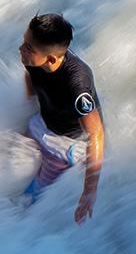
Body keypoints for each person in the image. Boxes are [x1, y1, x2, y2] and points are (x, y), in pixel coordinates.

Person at [19, 13, 104, 224]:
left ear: (50, 59)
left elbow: (96, 133)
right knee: (18, 147)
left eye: (28, 47)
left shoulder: (77, 82)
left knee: (32, 197)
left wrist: (89, 192)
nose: (21, 49)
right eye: (24, 42)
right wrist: (29, 105)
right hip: (45, 122)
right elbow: (30, 75)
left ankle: (20, 220)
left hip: (66, 143)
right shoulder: (34, 59)